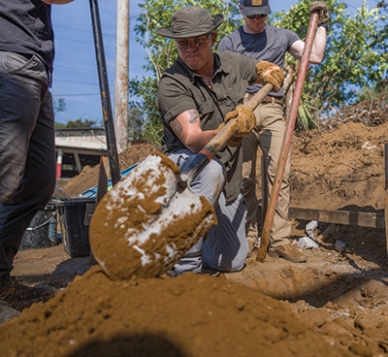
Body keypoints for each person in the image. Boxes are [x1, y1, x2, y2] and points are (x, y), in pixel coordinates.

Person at [155, 6, 284, 275]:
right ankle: (182, 266)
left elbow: (260, 69)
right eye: (183, 43)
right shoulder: (172, 82)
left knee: (232, 262)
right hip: (188, 172)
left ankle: (189, 240)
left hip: (226, 178)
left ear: (212, 38)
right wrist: (232, 129)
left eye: (198, 41)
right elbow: (192, 140)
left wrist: (269, 71)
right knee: (210, 168)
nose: (191, 48)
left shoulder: (231, 62)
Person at [218, 0, 328, 263]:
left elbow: (314, 56)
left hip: (272, 109)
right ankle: (247, 238)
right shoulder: (230, 42)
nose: (258, 19)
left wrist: (322, 25)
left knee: (279, 174)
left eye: (262, 14)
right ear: (242, 11)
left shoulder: (282, 36)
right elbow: (220, 80)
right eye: (253, 14)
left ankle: (278, 239)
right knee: (243, 177)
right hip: (242, 110)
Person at [0, 0, 74, 312]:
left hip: (34, 66)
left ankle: (1, 279)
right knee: (4, 179)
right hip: (10, 60)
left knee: (39, 184)